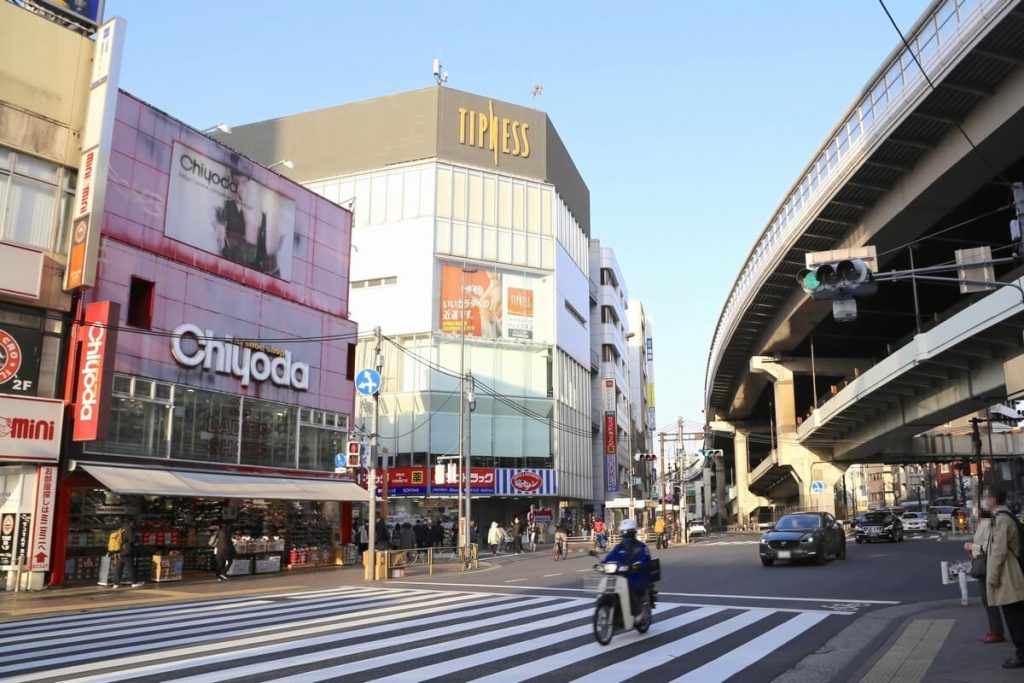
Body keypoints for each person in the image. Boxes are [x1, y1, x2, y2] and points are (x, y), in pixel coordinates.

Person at [986, 487, 1024, 669]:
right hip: (1014, 570)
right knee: (1017, 614)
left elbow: (999, 552)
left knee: (1014, 617)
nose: (985, 500)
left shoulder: (1001, 520)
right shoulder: (1009, 516)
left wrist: (992, 577)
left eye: (986, 497)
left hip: (1008, 574)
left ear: (993, 500)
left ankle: (1021, 654)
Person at [966, 508, 1005, 644]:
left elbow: (987, 547)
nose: (974, 513)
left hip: (987, 565)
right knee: (988, 600)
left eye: (976, 511)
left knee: (989, 600)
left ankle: (997, 631)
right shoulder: (984, 523)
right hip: (985, 564)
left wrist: (972, 547)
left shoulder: (987, 524)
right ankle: (995, 630)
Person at [602, 518, 653, 615]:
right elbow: (610, 556)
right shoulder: (619, 547)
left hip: (635, 576)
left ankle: (636, 611)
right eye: (623, 532)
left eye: (627, 533)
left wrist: (638, 565)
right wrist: (602, 564)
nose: (625, 535)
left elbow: (646, 558)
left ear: (633, 533)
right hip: (619, 576)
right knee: (607, 588)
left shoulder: (641, 547)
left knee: (631, 588)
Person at [109, 521, 144, 589]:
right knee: (130, 567)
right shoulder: (129, 530)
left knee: (119, 567)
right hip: (127, 551)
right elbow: (131, 540)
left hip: (119, 551)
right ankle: (134, 582)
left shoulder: (120, 530)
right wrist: (137, 538)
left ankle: (116, 583)